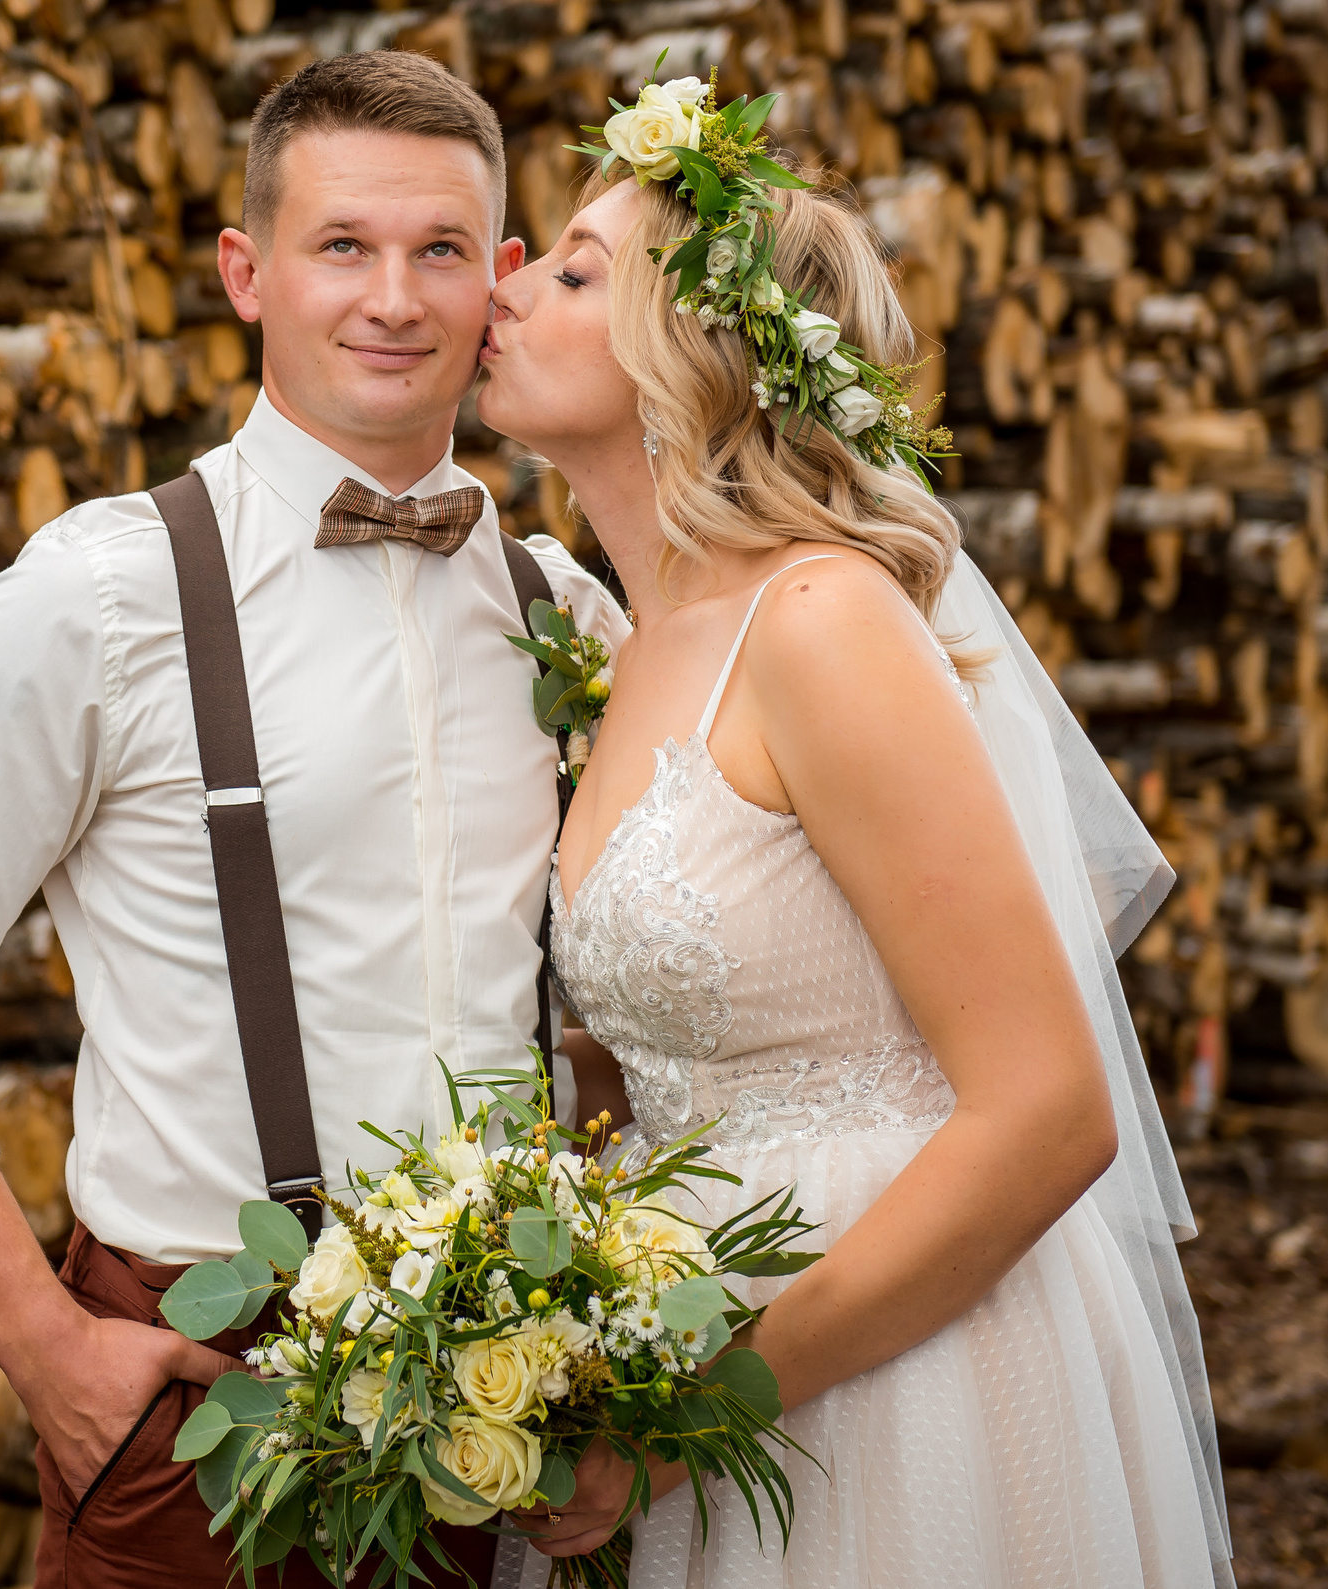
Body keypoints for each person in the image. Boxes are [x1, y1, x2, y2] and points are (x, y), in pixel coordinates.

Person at [0, 50, 634, 1586]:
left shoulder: (566, 615)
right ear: (247, 271)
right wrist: (42, 1340)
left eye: (440, 248)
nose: (393, 297)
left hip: (509, 1418)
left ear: (502, 278)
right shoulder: (101, 595)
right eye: (343, 247)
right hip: (195, 1409)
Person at [476, 84, 1234, 1585]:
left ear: (684, 346)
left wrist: (702, 1407)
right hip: (686, 1328)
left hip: (890, 1373)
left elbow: (1046, 1109)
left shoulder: (818, 621)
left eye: (569, 270)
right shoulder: (625, 651)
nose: (501, 286)